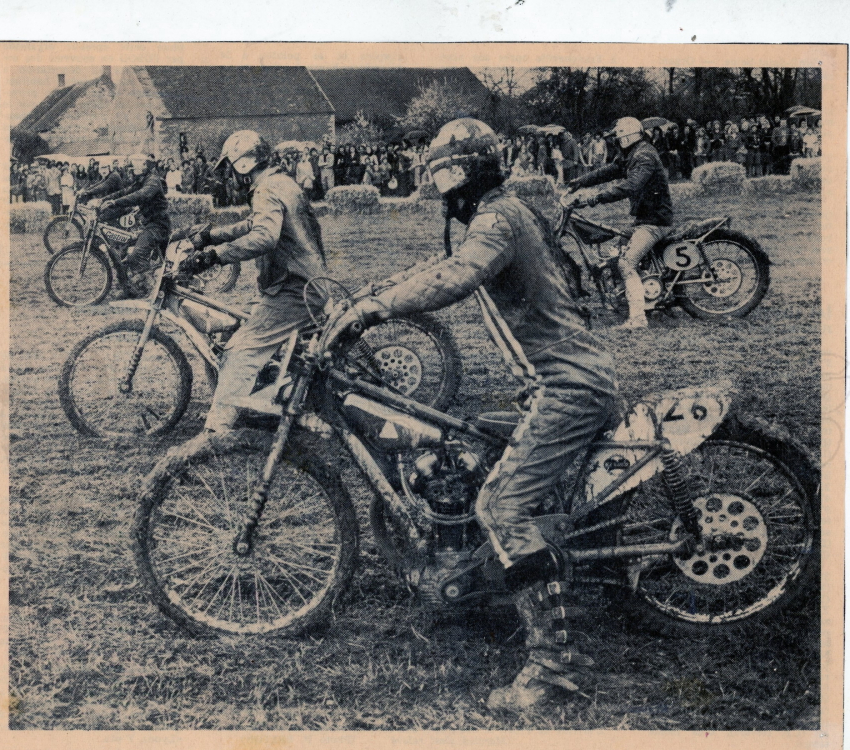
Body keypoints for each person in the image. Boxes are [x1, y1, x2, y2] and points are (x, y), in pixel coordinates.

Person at [320, 118, 617, 711]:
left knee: (500, 507)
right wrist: (362, 298)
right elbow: (435, 267)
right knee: (473, 453)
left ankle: (553, 665)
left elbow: (456, 276)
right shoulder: (499, 214)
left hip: (567, 386)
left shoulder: (498, 219)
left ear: (471, 171)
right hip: (558, 381)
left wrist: (373, 312)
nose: (441, 187)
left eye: (446, 174)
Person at [177, 130, 328, 434]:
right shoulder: (280, 182)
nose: (229, 176)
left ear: (243, 164)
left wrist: (213, 256)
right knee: (236, 324)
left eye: (230, 167)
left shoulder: (266, 189)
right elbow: (252, 224)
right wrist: (209, 237)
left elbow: (264, 237)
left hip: (294, 289)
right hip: (302, 282)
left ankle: (216, 433)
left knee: (240, 353)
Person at [568, 116, 674, 329]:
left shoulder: (644, 156)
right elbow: (608, 171)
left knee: (626, 263)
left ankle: (638, 318)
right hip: (644, 218)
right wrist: (580, 182)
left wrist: (596, 198)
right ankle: (626, 299)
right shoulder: (631, 154)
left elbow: (632, 185)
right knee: (616, 251)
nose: (615, 142)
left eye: (617, 138)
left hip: (654, 221)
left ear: (626, 137)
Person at [98, 154, 170, 296]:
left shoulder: (152, 181)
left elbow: (141, 195)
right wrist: (103, 200)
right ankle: (128, 289)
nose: (132, 169)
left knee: (137, 255)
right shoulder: (141, 180)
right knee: (123, 251)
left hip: (158, 225)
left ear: (144, 165)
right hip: (147, 223)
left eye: (136, 165)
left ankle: (149, 289)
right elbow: (125, 192)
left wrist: (115, 203)